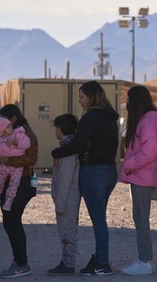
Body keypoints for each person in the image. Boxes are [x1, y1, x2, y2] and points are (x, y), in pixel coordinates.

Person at [51, 80, 119, 276]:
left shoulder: (91, 116)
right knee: (100, 218)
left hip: (93, 172)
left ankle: (103, 263)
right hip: (109, 170)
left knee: (98, 220)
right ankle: (99, 259)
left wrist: (56, 152)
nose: (80, 101)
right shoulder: (110, 115)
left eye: (82, 97)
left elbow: (77, 144)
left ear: (91, 96)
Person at [0, 104, 39, 279]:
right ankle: (19, 261)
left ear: (12, 119)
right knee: (10, 221)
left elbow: (32, 158)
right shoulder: (7, 132)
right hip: (9, 183)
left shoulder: (26, 134)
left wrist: (8, 159)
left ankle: (21, 264)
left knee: (12, 222)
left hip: (21, 183)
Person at [120, 85, 157, 276]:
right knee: (139, 217)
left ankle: (145, 261)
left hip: (141, 175)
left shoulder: (147, 122)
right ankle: (144, 259)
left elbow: (149, 150)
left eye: (130, 99)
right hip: (140, 175)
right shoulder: (145, 120)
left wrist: (129, 163)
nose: (128, 103)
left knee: (141, 218)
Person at [47, 113, 81, 276]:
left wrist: (59, 204)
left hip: (67, 198)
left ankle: (68, 264)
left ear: (60, 129)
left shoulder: (67, 151)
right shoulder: (69, 147)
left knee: (67, 231)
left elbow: (65, 180)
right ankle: (66, 261)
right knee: (66, 230)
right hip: (67, 197)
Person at [0, 113, 32, 210]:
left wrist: (17, 143)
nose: (10, 127)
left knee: (14, 182)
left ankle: (9, 199)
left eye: (9, 125)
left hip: (17, 165)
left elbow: (27, 144)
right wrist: (7, 145)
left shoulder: (19, 134)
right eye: (7, 127)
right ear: (2, 132)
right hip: (5, 165)